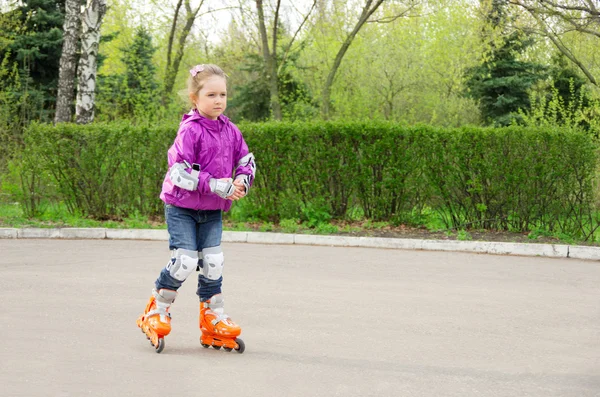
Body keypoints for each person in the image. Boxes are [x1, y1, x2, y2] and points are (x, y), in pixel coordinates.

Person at [137, 63, 256, 354]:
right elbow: (177, 172)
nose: (218, 100)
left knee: (213, 261)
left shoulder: (231, 130)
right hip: (181, 207)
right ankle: (157, 308)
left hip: (212, 209)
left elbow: (246, 160)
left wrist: (242, 180)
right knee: (186, 261)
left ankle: (212, 317)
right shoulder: (190, 131)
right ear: (195, 98)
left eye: (223, 95)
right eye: (211, 95)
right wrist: (215, 185)